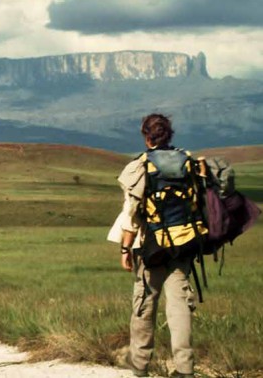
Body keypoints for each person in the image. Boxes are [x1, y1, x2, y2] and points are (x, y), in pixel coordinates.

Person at [116, 114, 197, 378]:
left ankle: (139, 364)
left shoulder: (141, 166)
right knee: (180, 307)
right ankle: (185, 368)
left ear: (146, 135)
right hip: (184, 244)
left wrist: (125, 249)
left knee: (144, 305)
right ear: (169, 134)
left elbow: (131, 215)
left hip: (152, 248)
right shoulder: (189, 161)